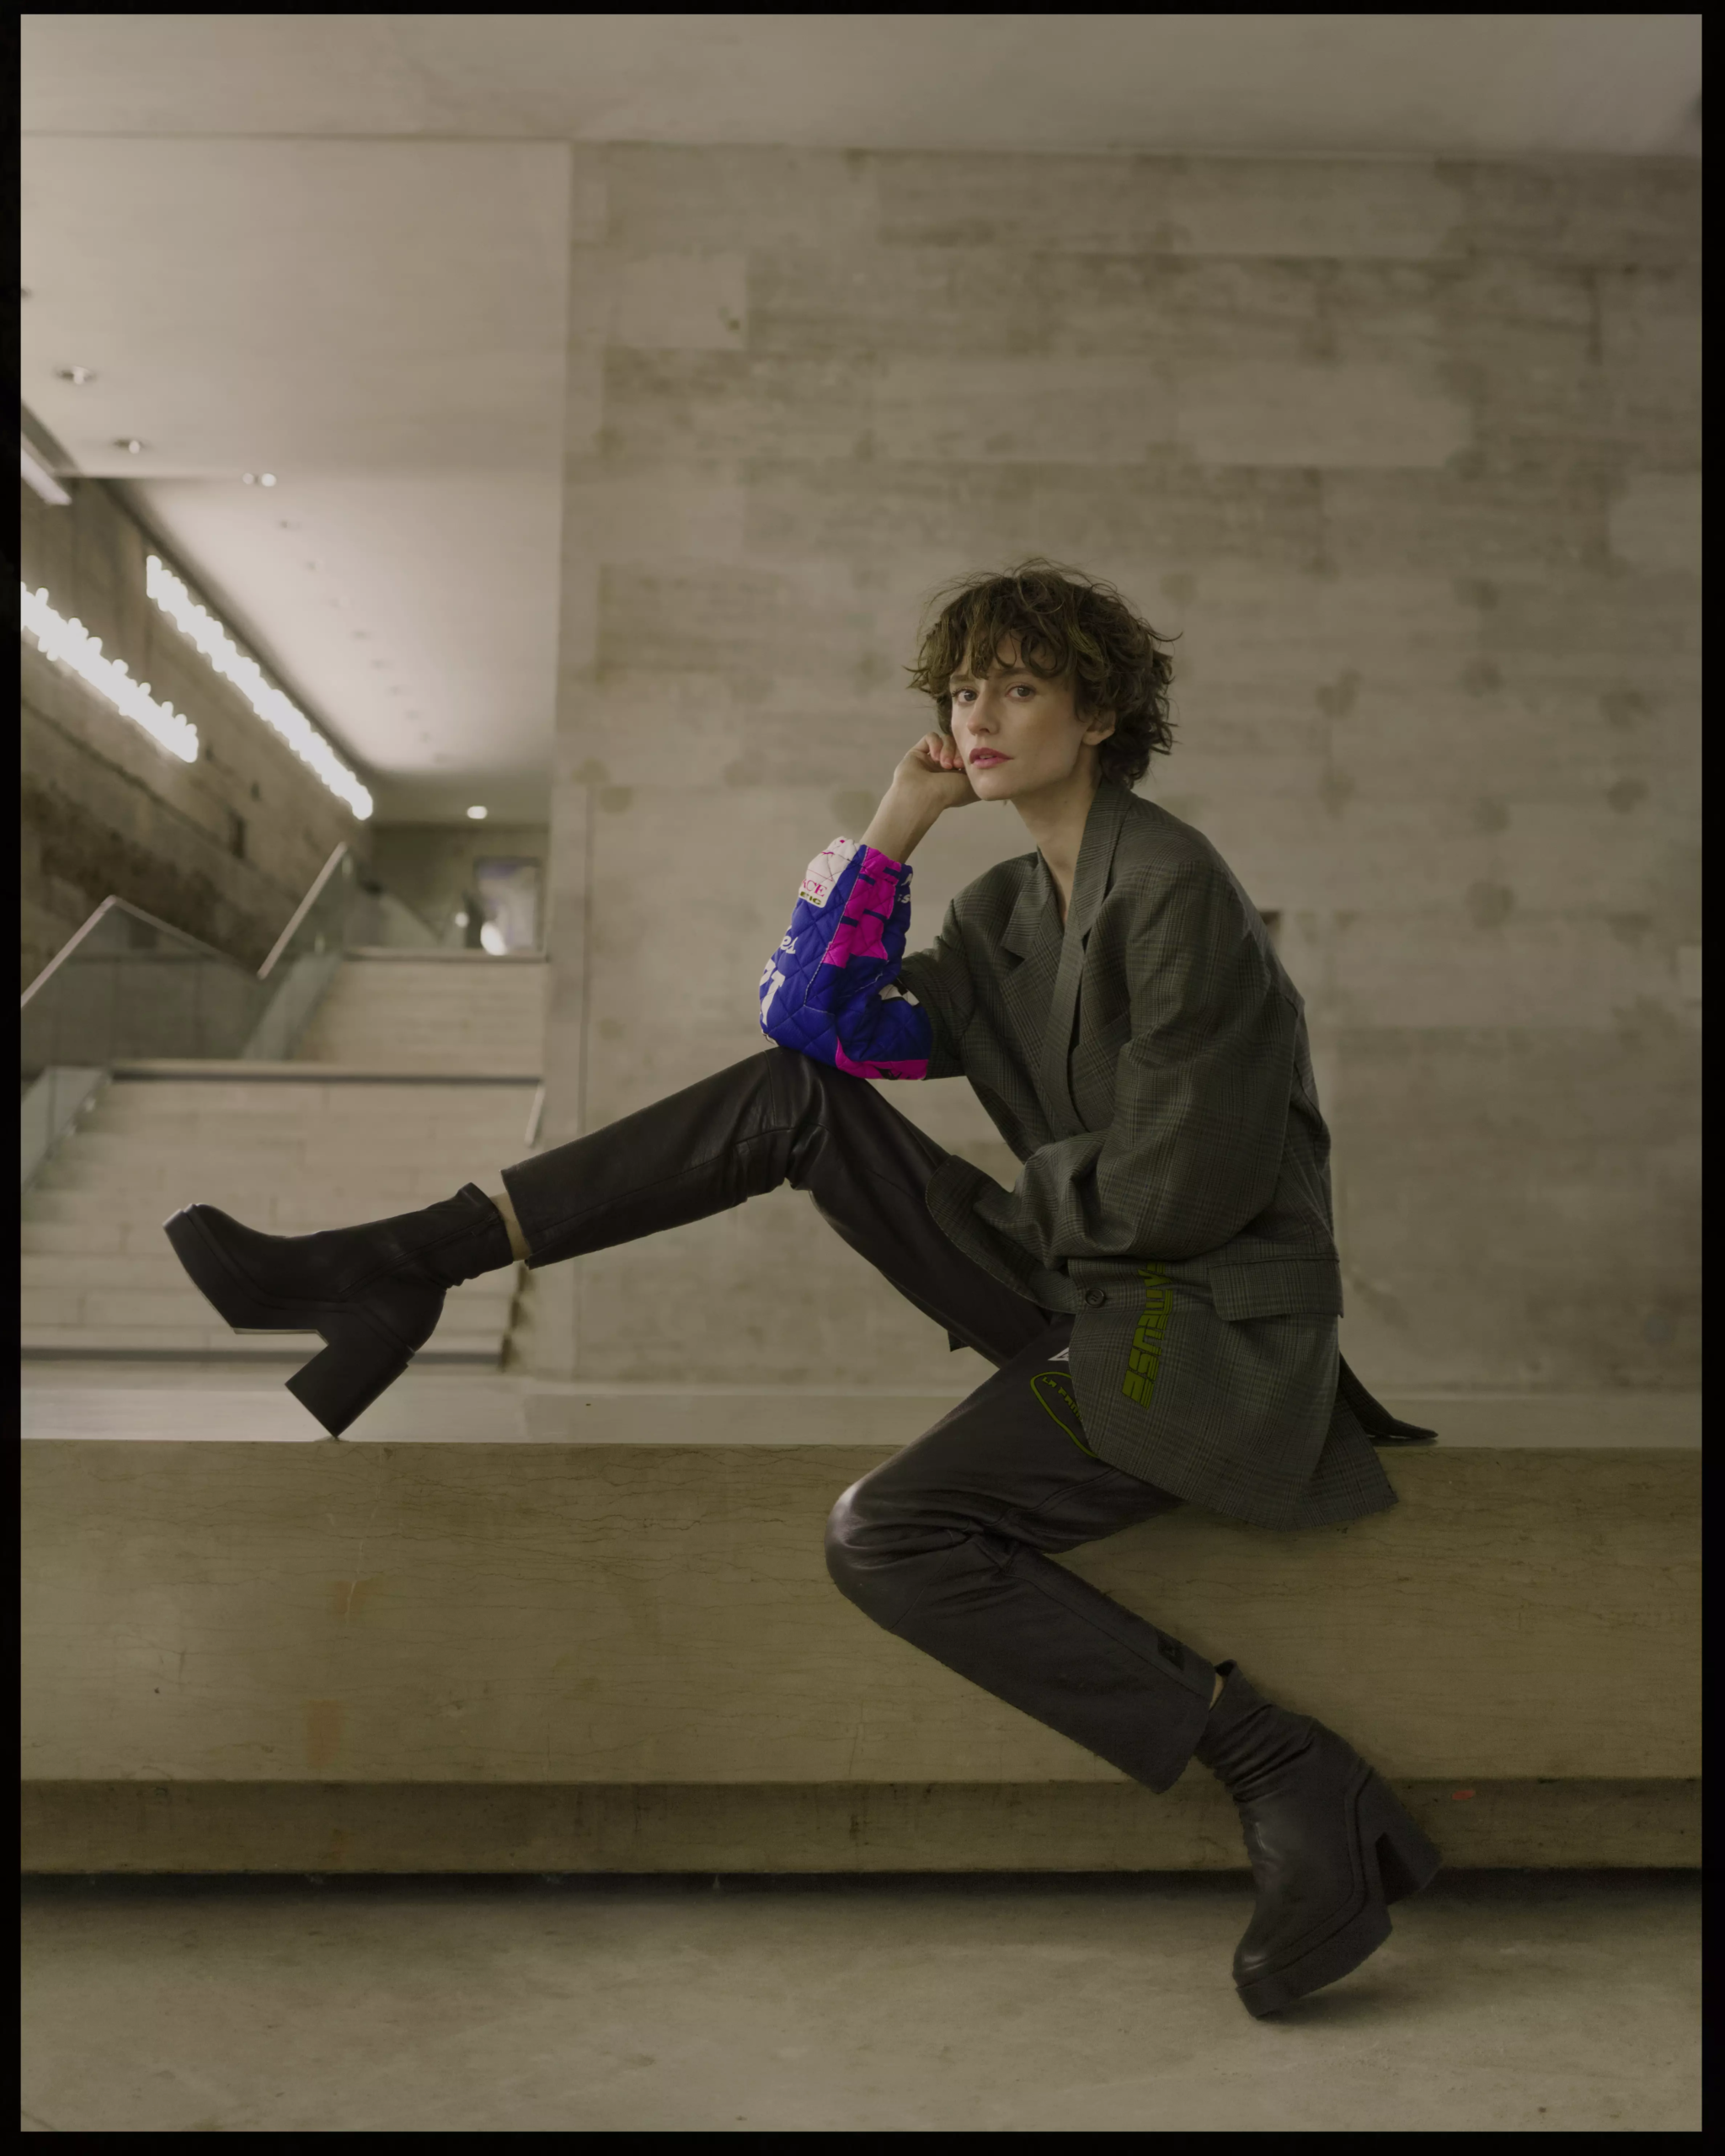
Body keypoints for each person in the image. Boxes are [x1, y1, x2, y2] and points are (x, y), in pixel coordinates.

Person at [164, 560, 1441, 2018]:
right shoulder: (1012, 914)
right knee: (792, 1098)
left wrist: (1008, 1206)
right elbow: (812, 1026)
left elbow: (1185, 1195)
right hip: (1095, 1280)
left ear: (1097, 713)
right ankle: (409, 1263)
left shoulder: (1175, 890)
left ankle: (1283, 1766)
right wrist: (897, 823)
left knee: (890, 1535)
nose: (979, 713)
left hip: (1202, 1329)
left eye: (1019, 685)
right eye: (964, 688)